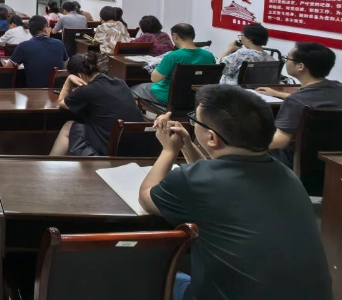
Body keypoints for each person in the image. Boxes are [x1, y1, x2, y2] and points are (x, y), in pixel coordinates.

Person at [138, 85, 332, 300]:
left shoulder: (191, 179)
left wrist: (169, 150)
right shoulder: (288, 175)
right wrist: (187, 146)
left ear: (212, 138)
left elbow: (146, 197)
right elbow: (211, 176)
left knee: (151, 273)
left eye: (195, 121)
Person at [260, 42, 342, 167]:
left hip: (295, 164)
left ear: (300, 67)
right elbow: (315, 99)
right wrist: (278, 94)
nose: (286, 61)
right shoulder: (338, 88)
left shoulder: (295, 101)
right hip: (332, 162)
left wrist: (244, 143)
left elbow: (280, 141)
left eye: (287, 58)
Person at [50, 52, 145, 156]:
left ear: (79, 75)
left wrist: (68, 80)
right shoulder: (119, 82)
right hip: (138, 145)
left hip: (111, 151)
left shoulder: (86, 91)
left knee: (68, 126)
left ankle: (50, 163)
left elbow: (61, 102)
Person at [131, 23, 215, 106]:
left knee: (133, 89)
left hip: (168, 96)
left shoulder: (173, 56)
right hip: (196, 98)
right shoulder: (209, 55)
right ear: (193, 35)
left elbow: (155, 79)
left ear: (175, 36)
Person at [10, 15, 69, 88]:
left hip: (34, 90)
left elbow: (9, 67)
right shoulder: (59, 44)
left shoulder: (23, 46)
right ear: (45, 28)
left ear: (30, 31)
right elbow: (66, 64)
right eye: (48, 27)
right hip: (57, 90)